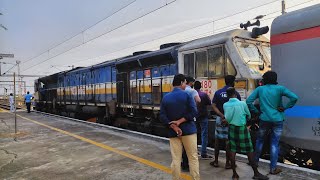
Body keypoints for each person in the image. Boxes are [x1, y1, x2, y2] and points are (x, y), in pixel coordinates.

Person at [246, 71, 298, 175]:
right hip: (277, 120)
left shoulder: (260, 89)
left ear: (265, 79)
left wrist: (257, 111)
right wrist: (285, 107)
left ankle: (255, 162)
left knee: (259, 141)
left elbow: (248, 101)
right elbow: (294, 98)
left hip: (264, 119)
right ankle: (273, 168)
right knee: (274, 143)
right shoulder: (280, 89)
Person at [160, 74, 200, 180]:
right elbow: (194, 112)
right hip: (189, 131)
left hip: (173, 132)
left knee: (176, 159)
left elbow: (162, 116)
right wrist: (180, 121)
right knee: (193, 158)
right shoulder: (187, 95)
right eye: (185, 83)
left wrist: (173, 126)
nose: (185, 85)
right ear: (182, 82)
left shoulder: (166, 97)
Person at [224, 87, 269, 180]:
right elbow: (248, 115)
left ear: (227, 95)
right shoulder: (242, 103)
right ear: (235, 94)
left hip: (232, 128)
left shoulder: (225, 105)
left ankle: (235, 174)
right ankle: (256, 173)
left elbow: (227, 118)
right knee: (249, 150)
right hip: (242, 128)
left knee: (232, 150)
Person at [211, 75, 240, 168]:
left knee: (217, 140)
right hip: (231, 120)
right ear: (233, 82)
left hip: (220, 119)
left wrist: (221, 115)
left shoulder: (218, 92)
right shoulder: (235, 94)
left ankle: (216, 161)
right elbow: (237, 107)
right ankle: (228, 163)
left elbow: (214, 106)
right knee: (228, 141)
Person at [181, 76, 201, 171]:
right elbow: (198, 100)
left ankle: (183, 163)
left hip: (181, 117)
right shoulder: (193, 91)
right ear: (191, 82)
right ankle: (188, 164)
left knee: (182, 143)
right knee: (191, 143)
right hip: (190, 119)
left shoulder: (182, 91)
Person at [194, 81, 213, 159]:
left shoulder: (191, 94)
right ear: (200, 86)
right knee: (204, 134)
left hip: (194, 116)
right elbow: (209, 103)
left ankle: (194, 151)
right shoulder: (203, 94)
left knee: (194, 134)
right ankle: (203, 153)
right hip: (203, 116)